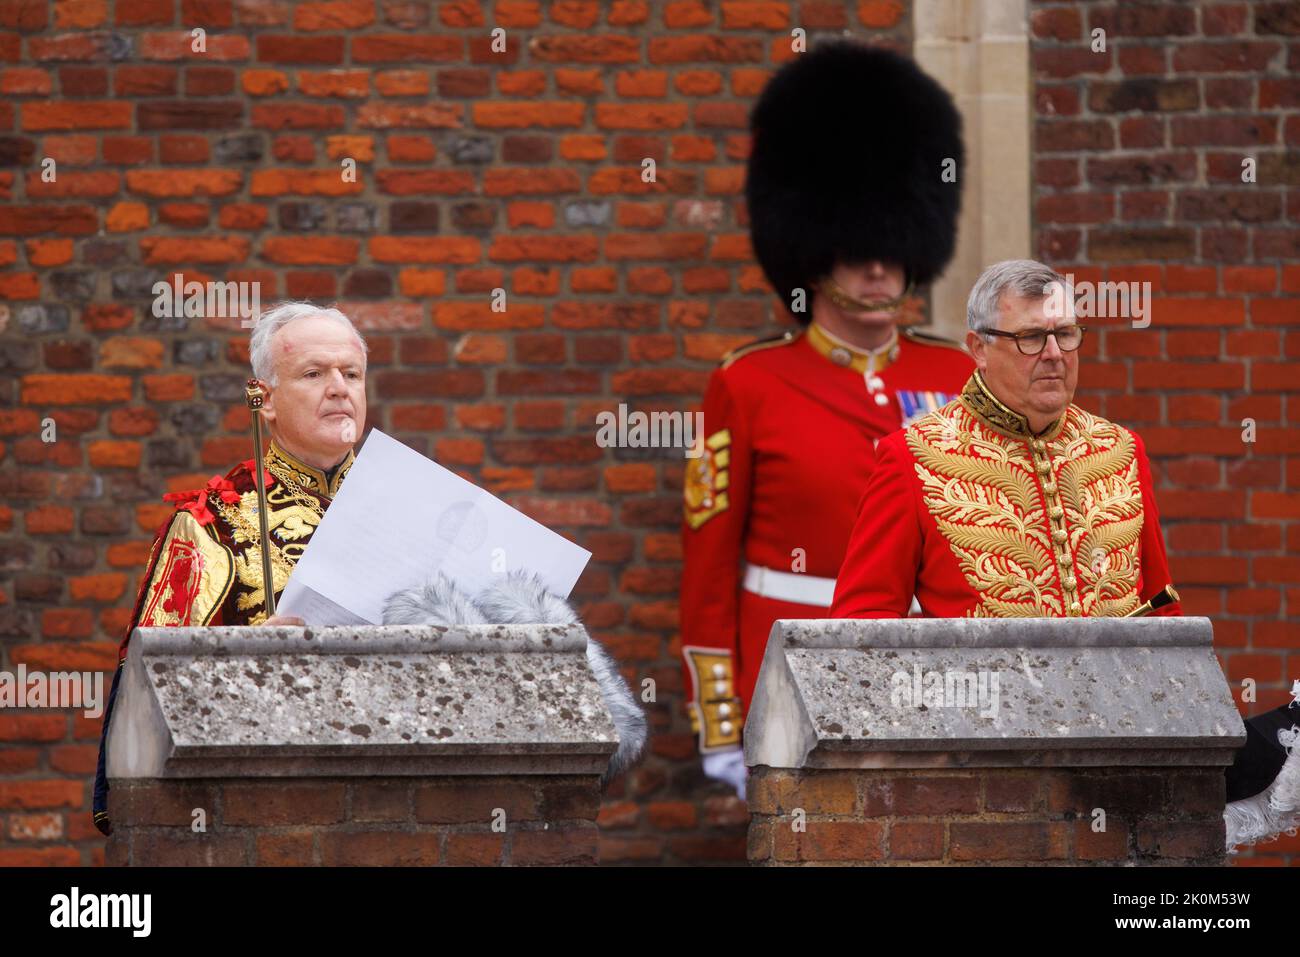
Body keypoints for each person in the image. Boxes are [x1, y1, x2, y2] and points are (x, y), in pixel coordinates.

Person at [679, 42, 973, 798]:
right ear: (812, 256)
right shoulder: (749, 384)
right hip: (795, 679)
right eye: (854, 250)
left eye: (891, 249)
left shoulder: (961, 378)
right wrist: (722, 722)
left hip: (938, 683)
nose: (878, 269)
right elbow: (710, 573)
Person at [92, 301, 367, 834]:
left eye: (351, 373)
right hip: (259, 816)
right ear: (263, 399)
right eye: (314, 374)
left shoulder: (410, 509)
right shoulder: (210, 522)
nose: (339, 388)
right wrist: (243, 663)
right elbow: (150, 699)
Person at [831, 259, 1181, 620]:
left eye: (1064, 334)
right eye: (1030, 337)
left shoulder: (1121, 449)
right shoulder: (912, 457)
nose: (1054, 354)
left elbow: (1163, 610)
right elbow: (863, 626)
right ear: (979, 348)